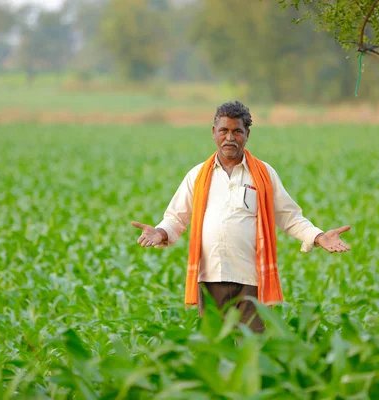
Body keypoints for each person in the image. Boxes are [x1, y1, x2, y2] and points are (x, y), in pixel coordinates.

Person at [131, 101, 351, 332]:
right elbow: (177, 218)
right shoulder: (197, 175)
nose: (230, 137)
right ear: (213, 132)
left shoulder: (264, 174)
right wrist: (160, 232)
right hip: (210, 278)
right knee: (215, 350)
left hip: (251, 280)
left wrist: (318, 236)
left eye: (237, 131)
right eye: (224, 130)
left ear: (247, 134)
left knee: (254, 348)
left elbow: (290, 217)